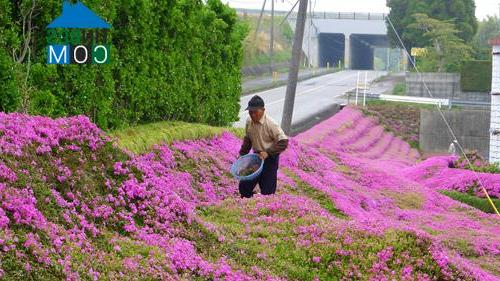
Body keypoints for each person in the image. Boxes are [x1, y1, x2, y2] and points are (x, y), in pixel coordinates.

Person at [238, 95, 289, 198]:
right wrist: (242, 154)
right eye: (250, 112)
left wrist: (268, 152)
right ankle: (250, 205)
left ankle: (263, 207)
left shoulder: (270, 124)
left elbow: (283, 142)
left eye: (255, 111)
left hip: (270, 158)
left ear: (263, 110)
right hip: (256, 158)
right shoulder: (249, 121)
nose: (252, 114)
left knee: (268, 191)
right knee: (244, 187)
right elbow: (248, 139)